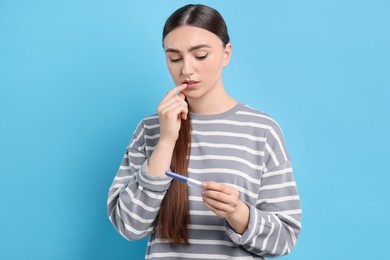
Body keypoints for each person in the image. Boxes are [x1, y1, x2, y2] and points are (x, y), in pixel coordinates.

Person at [107, 4, 301, 259]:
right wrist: (166, 141)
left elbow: (284, 239)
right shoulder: (150, 130)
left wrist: (238, 213)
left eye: (200, 55)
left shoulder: (262, 131)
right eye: (174, 58)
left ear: (226, 54)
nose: (186, 70)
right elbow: (129, 226)